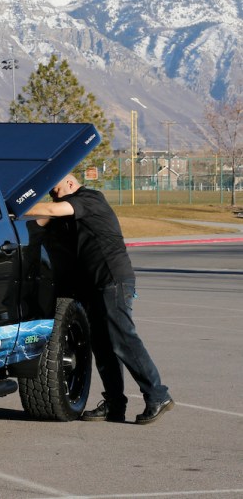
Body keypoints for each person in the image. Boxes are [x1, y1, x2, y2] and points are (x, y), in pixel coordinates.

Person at [26, 174, 174, 425]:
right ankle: (115, 405)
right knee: (103, 347)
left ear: (71, 184)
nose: (54, 195)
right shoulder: (65, 214)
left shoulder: (90, 199)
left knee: (122, 339)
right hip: (92, 285)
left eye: (57, 189)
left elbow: (52, 208)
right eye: (51, 192)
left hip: (112, 279)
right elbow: (39, 221)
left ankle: (158, 395)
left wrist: (16, 207)